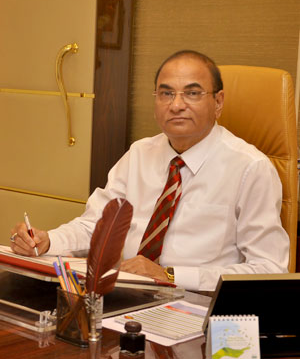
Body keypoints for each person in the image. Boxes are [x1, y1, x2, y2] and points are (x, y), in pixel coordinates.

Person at [10, 50, 290, 291]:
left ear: (218, 102)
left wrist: (169, 275)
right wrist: (48, 241)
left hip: (199, 307)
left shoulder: (250, 168)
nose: (176, 105)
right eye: (166, 93)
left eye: (192, 93)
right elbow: (96, 224)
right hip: (128, 296)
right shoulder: (140, 153)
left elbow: (268, 270)